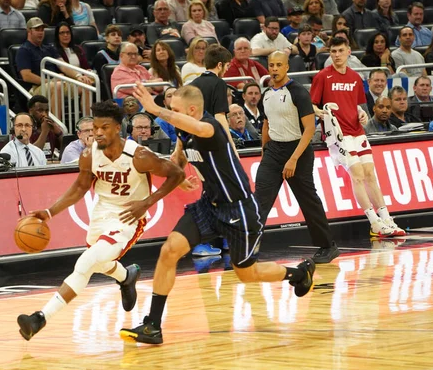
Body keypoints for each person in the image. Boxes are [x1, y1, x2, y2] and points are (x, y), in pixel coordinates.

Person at [119, 84, 317, 345]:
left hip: (239, 210)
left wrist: (155, 109)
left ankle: (299, 274)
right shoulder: (184, 128)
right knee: (169, 250)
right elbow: (178, 159)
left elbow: (200, 130)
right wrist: (178, 178)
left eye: (175, 110)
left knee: (246, 273)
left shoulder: (211, 128)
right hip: (208, 205)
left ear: (192, 110)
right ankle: (153, 325)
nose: (171, 114)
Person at [16, 100, 185, 340]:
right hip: (101, 214)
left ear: (117, 128)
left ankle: (39, 318)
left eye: (104, 127)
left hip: (128, 217)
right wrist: (50, 212)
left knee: (86, 262)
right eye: (95, 127)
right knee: (98, 263)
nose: (98, 133)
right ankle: (127, 277)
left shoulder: (138, 155)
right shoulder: (89, 155)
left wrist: (147, 202)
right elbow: (80, 187)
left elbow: (176, 174)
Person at [310, 36, 405, 237]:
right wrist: (320, 113)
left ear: (348, 52)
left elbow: (357, 105)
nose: (336, 55)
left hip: (357, 131)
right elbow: (311, 105)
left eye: (340, 51)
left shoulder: (354, 77)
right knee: (358, 175)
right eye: (333, 52)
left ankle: (387, 218)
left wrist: (361, 113)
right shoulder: (323, 76)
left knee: (371, 174)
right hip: (338, 134)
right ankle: (374, 222)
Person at [256, 51, 339, 264]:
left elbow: (310, 129)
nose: (274, 69)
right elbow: (266, 123)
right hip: (274, 151)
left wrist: (293, 159)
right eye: (271, 65)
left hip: (298, 151)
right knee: (260, 200)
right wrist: (264, 148)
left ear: (286, 67)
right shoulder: (265, 94)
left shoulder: (298, 92)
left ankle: (327, 245)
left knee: (307, 200)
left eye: (278, 65)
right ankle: (250, 245)